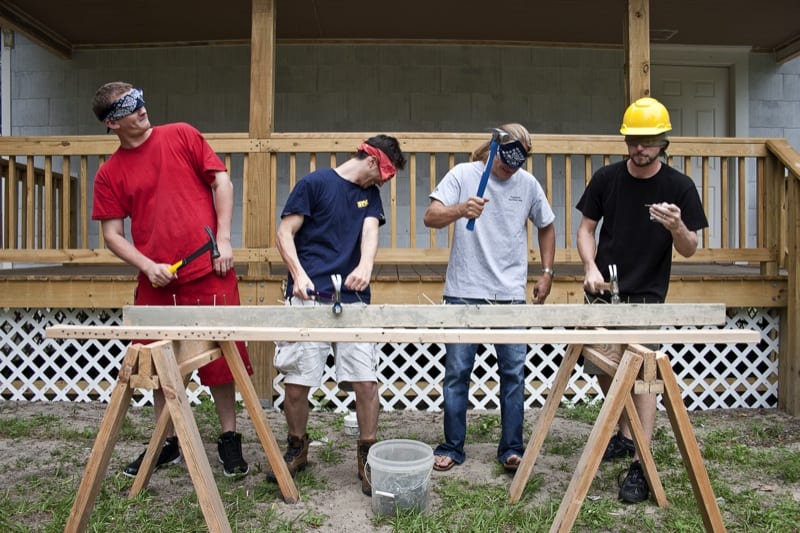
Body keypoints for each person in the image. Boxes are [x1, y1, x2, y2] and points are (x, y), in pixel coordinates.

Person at [91, 81, 253, 478]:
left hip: (209, 269)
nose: (142, 108)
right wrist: (147, 266)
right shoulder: (109, 173)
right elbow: (112, 234)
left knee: (222, 361)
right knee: (160, 364)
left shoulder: (181, 134)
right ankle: (170, 442)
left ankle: (229, 438)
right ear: (112, 122)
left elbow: (222, 182)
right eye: (130, 105)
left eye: (141, 97)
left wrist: (226, 240)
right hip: (158, 282)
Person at [576, 97, 709, 503]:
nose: (640, 148)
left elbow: (690, 248)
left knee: (644, 377)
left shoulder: (678, 187)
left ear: (663, 141)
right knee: (595, 361)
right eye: (634, 140)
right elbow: (585, 230)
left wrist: (677, 227)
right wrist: (589, 268)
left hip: (648, 295)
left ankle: (641, 464)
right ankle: (625, 430)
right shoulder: (606, 178)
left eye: (648, 141)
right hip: (603, 290)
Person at [270, 135, 406, 495]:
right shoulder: (314, 184)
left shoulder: (369, 196)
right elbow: (285, 232)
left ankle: (366, 456)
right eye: (384, 176)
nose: (382, 184)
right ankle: (297, 447)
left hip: (354, 301)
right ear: (374, 161)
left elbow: (369, 235)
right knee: (297, 384)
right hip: (308, 298)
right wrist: (298, 274)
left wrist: (364, 266)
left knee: (366, 382)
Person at [423, 124, 556, 473]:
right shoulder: (464, 175)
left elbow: (546, 224)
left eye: (516, 166)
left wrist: (547, 272)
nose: (509, 171)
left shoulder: (528, 185)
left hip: (510, 294)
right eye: (504, 163)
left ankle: (511, 447)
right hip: (464, 290)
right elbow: (431, 217)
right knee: (457, 374)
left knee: (513, 374)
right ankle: (452, 446)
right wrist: (459, 210)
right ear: (494, 149)